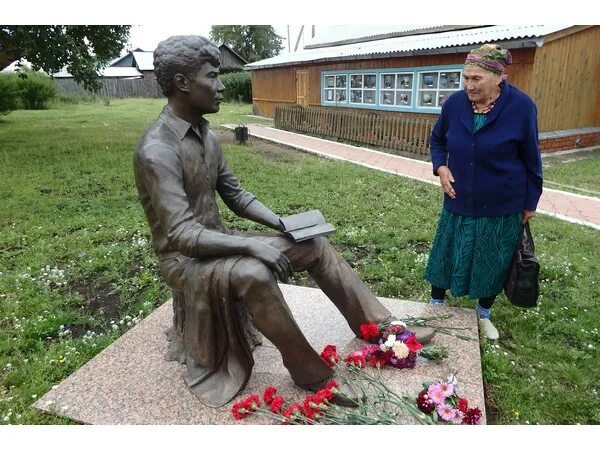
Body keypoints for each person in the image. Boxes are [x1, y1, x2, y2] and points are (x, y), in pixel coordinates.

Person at [133, 35, 434, 408]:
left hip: (216, 243)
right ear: (182, 83)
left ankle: (381, 330)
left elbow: (236, 195)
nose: (222, 86)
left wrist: (281, 223)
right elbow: (180, 234)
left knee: (314, 244)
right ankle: (311, 373)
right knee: (253, 273)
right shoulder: (156, 149)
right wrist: (251, 245)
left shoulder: (207, 136)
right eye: (213, 76)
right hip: (185, 261)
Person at [425, 43, 543, 340]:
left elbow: (532, 156)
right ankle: (435, 304)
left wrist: (531, 202)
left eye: (476, 79)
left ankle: (483, 312)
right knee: (447, 251)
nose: (468, 85)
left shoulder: (521, 107)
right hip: (459, 196)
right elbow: (437, 140)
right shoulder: (454, 104)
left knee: (493, 257)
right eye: (465, 78)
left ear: (499, 76)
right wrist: (440, 167)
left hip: (503, 200)